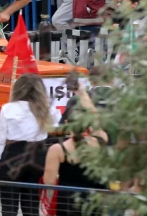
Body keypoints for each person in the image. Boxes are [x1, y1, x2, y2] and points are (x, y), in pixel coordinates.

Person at [0, 74, 61, 216]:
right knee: (32, 204)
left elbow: (0, 138)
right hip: (38, 157)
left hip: (12, 155)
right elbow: (58, 127)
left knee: (9, 205)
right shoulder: (48, 110)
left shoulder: (8, 108)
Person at [43, 86, 108, 216]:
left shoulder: (57, 150)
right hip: (95, 202)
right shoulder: (100, 142)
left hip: (67, 204)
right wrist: (82, 93)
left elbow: (48, 181)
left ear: (67, 122)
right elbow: (96, 120)